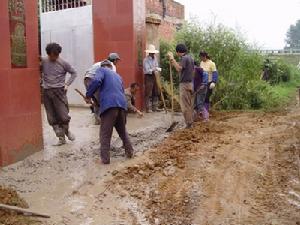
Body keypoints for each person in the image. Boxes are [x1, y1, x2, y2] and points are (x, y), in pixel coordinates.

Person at [86, 60, 134, 164]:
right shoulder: (118, 76)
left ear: (103, 66)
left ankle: (105, 159)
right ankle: (130, 152)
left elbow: (96, 81)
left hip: (109, 105)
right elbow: (120, 91)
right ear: (111, 67)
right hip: (122, 105)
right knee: (122, 131)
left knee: (105, 133)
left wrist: (88, 95)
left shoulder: (101, 70)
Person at [41, 42, 77, 146]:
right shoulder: (43, 61)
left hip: (60, 91)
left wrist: (67, 84)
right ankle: (61, 138)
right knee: (51, 116)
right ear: (48, 54)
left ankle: (66, 131)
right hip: (47, 91)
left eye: (56, 55)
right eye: (52, 55)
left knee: (64, 115)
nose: (54, 57)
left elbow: (74, 73)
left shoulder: (63, 63)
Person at [84, 53, 121, 124]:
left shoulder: (99, 63)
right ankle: (106, 120)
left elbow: (88, 73)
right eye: (117, 60)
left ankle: (98, 121)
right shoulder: (111, 65)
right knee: (102, 100)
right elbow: (111, 78)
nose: (117, 62)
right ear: (115, 60)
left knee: (96, 102)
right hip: (93, 81)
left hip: (87, 80)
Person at [168, 44, 194, 128]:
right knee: (189, 104)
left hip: (185, 84)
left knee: (184, 106)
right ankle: (190, 122)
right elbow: (179, 67)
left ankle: (189, 124)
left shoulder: (184, 58)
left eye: (177, 52)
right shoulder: (190, 58)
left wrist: (172, 59)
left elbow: (179, 69)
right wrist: (173, 61)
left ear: (178, 52)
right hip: (190, 84)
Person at [200, 51, 219, 119]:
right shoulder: (201, 63)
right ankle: (202, 112)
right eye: (200, 57)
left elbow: (215, 73)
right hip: (203, 83)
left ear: (205, 56)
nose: (201, 58)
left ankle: (206, 113)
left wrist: (213, 82)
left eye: (202, 57)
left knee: (206, 97)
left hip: (209, 83)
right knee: (201, 97)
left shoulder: (211, 63)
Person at [143, 44, 161, 113]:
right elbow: (147, 70)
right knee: (149, 92)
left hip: (155, 76)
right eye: (152, 52)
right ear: (149, 52)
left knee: (155, 91)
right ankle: (148, 108)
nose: (153, 53)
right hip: (148, 76)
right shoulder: (146, 60)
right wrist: (154, 69)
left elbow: (156, 66)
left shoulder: (155, 58)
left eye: (154, 52)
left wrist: (156, 69)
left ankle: (155, 107)